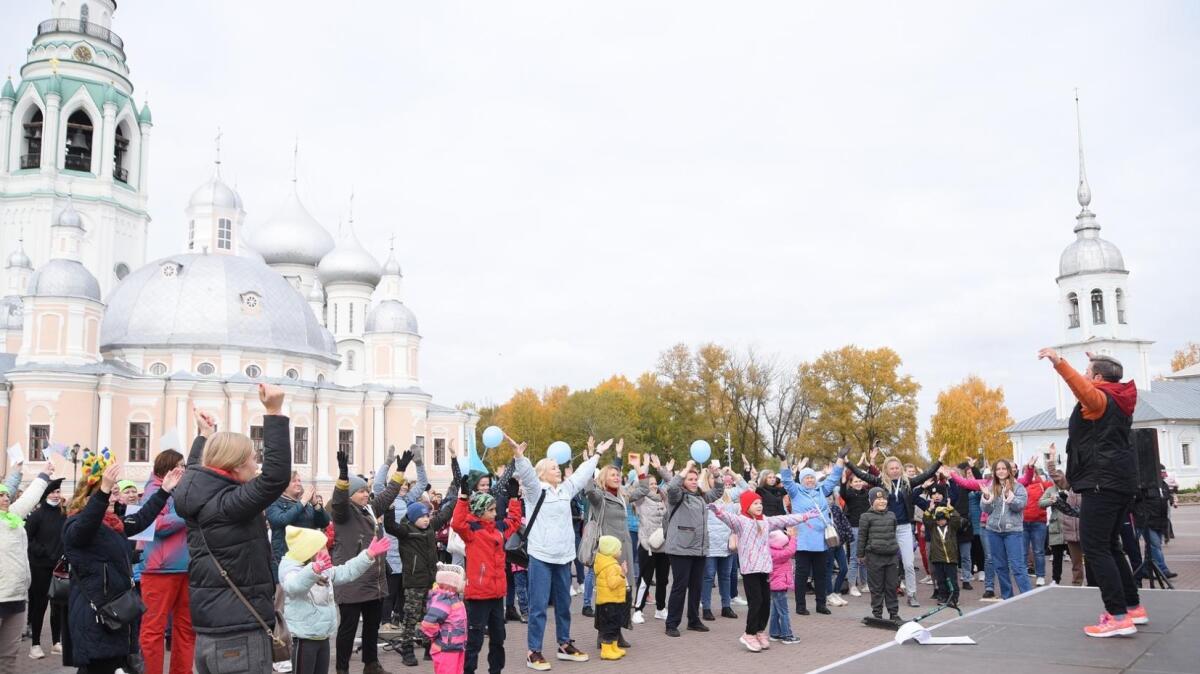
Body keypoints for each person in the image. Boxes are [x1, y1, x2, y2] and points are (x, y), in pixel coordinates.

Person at [173, 385, 292, 674]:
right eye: (253, 458)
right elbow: (276, 478)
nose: (256, 465)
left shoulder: (195, 493)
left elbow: (194, 471)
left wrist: (203, 436)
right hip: (238, 634)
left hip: (212, 629)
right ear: (236, 465)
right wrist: (274, 412)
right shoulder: (227, 504)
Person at [1040, 348, 1145, 637]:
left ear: (1097, 378)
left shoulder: (1099, 400)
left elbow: (1081, 387)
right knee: (1111, 545)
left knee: (1096, 547)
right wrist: (1099, 359)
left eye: (1089, 373)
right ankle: (1132, 606)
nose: (1085, 377)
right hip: (1119, 482)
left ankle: (1117, 616)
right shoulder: (1119, 397)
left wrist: (1059, 363)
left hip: (1103, 482)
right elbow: (1092, 382)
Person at [63, 453, 182, 674]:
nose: (114, 498)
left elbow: (141, 519)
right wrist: (103, 491)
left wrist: (164, 491)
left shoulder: (113, 523)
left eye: (113, 493)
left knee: (109, 666)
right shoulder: (75, 524)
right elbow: (86, 528)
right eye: (110, 493)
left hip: (116, 613)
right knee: (99, 667)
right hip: (94, 615)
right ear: (88, 497)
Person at [512, 436, 606, 670]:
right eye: (553, 467)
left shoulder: (565, 490)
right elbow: (527, 476)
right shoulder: (536, 491)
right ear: (543, 473)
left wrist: (597, 455)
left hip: (564, 557)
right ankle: (533, 651)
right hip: (541, 556)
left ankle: (564, 645)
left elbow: (582, 474)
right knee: (539, 607)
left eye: (557, 467)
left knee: (564, 605)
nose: (558, 470)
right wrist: (519, 456)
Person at [331, 447, 409, 674]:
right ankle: (342, 668)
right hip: (353, 582)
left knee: (372, 627)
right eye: (360, 492)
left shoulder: (370, 510)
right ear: (350, 495)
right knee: (348, 628)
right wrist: (343, 477)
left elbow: (388, 495)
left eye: (366, 490)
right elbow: (337, 501)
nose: (366, 494)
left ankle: (371, 664)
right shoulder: (343, 514)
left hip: (374, 581)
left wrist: (400, 469)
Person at [708, 491, 816, 652]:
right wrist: (717, 510)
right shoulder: (741, 522)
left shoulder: (766, 521)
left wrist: (805, 516)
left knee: (766, 602)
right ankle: (749, 633)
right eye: (755, 503)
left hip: (765, 568)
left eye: (760, 503)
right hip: (750, 569)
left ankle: (759, 631)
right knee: (756, 601)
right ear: (747, 506)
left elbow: (785, 519)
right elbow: (727, 518)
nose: (759, 506)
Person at [280, 525, 390, 674]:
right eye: (322, 548)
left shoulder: (324, 569)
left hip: (322, 636)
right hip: (303, 639)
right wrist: (313, 570)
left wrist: (368, 555)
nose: (327, 550)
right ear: (309, 551)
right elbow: (294, 586)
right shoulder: (290, 569)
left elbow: (346, 571)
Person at [846, 449, 944, 608]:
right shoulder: (881, 482)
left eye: (897, 467)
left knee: (908, 564)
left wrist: (939, 460)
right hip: (886, 528)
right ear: (886, 470)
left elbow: (926, 475)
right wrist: (848, 462)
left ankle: (912, 595)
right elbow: (863, 475)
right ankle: (887, 594)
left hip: (904, 527)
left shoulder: (907, 483)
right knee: (887, 564)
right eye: (891, 468)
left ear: (901, 469)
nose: (895, 470)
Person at [383, 469, 459, 667]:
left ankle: (428, 646)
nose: (426, 519)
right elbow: (390, 527)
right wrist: (389, 509)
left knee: (430, 615)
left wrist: (457, 486)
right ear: (413, 517)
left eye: (427, 515)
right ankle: (407, 649)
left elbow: (446, 511)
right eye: (422, 516)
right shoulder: (406, 531)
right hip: (414, 583)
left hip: (431, 582)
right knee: (411, 617)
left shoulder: (431, 527)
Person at [451, 477, 523, 674]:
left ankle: (496, 670)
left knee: (498, 638)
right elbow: (457, 522)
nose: (495, 513)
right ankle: (468, 670)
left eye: (494, 509)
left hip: (497, 595)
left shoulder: (499, 529)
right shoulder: (471, 531)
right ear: (481, 512)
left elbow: (514, 521)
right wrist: (463, 498)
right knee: (474, 641)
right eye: (491, 510)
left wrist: (514, 498)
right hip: (479, 596)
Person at [136, 449, 195, 674]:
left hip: (183, 567)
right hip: (159, 570)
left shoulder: (179, 490)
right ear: (169, 468)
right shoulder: (154, 490)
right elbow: (156, 526)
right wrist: (186, 515)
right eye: (181, 465)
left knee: (186, 629)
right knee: (153, 630)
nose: (185, 469)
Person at [580, 438, 635, 639]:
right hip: (607, 553)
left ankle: (618, 631)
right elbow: (587, 490)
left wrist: (636, 467)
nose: (617, 477)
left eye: (618, 475)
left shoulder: (622, 495)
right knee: (607, 594)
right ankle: (604, 634)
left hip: (625, 549)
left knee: (624, 591)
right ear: (604, 477)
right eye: (613, 475)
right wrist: (593, 457)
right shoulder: (599, 496)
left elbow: (644, 490)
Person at [662, 459, 724, 639]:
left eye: (695, 479)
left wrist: (717, 474)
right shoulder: (677, 496)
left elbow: (719, 491)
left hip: (699, 548)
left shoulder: (701, 496)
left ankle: (693, 620)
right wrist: (685, 468)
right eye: (690, 479)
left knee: (696, 586)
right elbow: (671, 488)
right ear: (683, 481)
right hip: (680, 548)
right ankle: (672, 623)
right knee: (680, 586)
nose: (694, 481)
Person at [0, 460, 52, 671]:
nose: (5, 498)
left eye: (5, 495)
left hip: (17, 597)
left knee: (8, 656)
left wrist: (44, 476)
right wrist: (13, 475)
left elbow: (30, 498)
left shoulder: (13, 516)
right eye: (0, 496)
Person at [780, 454, 846, 616]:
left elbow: (835, 476)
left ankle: (821, 604)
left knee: (821, 574)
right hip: (803, 541)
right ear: (801, 480)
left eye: (812, 478)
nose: (810, 480)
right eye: (806, 478)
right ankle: (800, 606)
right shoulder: (796, 492)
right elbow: (787, 479)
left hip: (822, 541)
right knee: (802, 576)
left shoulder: (822, 490)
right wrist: (783, 460)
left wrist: (841, 458)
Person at [372, 446, 430, 629]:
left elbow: (422, 484)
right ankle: (386, 621)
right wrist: (388, 463)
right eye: (401, 484)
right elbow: (377, 484)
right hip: (389, 554)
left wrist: (419, 463)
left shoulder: (408, 501)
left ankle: (399, 618)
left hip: (406, 553)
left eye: (406, 485)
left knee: (404, 592)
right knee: (390, 590)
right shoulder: (386, 497)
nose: (404, 487)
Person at [24, 475, 65, 659]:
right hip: (40, 567)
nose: (56, 495)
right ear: (45, 494)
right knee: (40, 605)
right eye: (53, 492)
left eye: (58, 492)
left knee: (58, 606)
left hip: (58, 567)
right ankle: (35, 644)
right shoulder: (36, 516)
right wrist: (44, 552)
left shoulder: (63, 515)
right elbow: (28, 539)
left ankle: (56, 642)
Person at [628, 454, 672, 625]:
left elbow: (671, 483)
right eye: (650, 484)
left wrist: (662, 468)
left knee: (663, 579)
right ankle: (638, 609)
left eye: (655, 483)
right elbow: (640, 488)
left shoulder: (664, 498)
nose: (653, 486)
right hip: (648, 546)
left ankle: (661, 608)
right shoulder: (641, 500)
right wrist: (640, 468)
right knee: (645, 579)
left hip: (664, 546)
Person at [979, 459, 1031, 599]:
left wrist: (1009, 496)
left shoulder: (1018, 487)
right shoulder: (990, 487)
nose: (1001, 471)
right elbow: (986, 510)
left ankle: (1029, 596)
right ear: (995, 472)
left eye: (1003, 468)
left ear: (1009, 471)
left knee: (1017, 567)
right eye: (998, 469)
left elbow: (1019, 506)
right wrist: (986, 497)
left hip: (1013, 531)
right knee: (1000, 567)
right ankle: (1008, 597)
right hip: (993, 531)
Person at [699, 466, 744, 621]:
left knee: (725, 576)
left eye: (717, 478)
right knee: (709, 576)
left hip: (727, 543)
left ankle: (726, 606)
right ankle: (706, 607)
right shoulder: (704, 497)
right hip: (711, 542)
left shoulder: (728, 494)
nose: (716, 480)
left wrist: (731, 472)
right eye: (712, 478)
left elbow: (745, 488)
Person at [857, 487, 901, 625]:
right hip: (874, 556)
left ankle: (894, 613)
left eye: (884, 499)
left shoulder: (892, 515)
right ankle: (877, 614)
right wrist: (860, 554)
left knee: (891, 586)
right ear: (871, 501)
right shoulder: (865, 517)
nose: (882, 501)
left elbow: (894, 531)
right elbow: (862, 537)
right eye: (878, 499)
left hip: (891, 556)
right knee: (876, 587)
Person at [418, 564, 468, 674]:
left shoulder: (454, 598)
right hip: (446, 649)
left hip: (456, 647)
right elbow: (428, 624)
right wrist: (438, 638)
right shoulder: (443, 600)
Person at [1041, 468, 1084, 586]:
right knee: (1057, 557)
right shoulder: (1051, 490)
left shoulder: (1072, 489)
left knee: (1077, 559)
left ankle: (1080, 582)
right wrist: (1053, 500)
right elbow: (1041, 503)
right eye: (1055, 479)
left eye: (1060, 478)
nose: (1058, 481)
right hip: (1057, 529)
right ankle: (1056, 580)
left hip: (1072, 528)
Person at [592, 535, 628, 661]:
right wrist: (623, 574)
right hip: (610, 601)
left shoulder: (606, 563)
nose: (621, 551)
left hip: (610, 601)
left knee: (613, 625)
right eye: (619, 549)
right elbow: (613, 584)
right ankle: (606, 650)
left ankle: (613, 647)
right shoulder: (611, 566)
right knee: (609, 626)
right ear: (611, 551)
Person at [922, 505, 962, 607]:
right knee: (941, 580)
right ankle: (942, 597)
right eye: (938, 520)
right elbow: (926, 519)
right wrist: (929, 509)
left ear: (947, 518)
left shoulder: (952, 527)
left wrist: (951, 509)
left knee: (952, 580)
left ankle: (954, 598)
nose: (940, 522)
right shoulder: (933, 528)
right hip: (937, 559)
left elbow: (957, 519)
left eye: (943, 519)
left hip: (951, 559)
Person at [767, 531, 800, 645]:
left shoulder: (771, 551)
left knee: (776, 610)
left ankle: (774, 633)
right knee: (784, 612)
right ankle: (787, 635)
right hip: (779, 585)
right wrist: (793, 538)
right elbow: (790, 551)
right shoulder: (779, 553)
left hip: (775, 585)